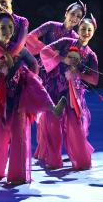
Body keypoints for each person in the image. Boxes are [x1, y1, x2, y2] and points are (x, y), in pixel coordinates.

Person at [0, 13, 64, 186]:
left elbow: (34, 64)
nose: (7, 31)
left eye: (10, 27)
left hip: (17, 101)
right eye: (3, 27)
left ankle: (18, 175)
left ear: (14, 30)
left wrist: (27, 81)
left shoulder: (20, 49)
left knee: (19, 137)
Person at [38, 15, 99, 171]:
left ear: (93, 32)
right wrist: (62, 59)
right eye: (83, 29)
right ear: (78, 29)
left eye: (89, 30)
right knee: (52, 125)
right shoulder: (66, 42)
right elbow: (45, 51)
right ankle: (53, 160)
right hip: (54, 90)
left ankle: (81, 161)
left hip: (73, 95)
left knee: (75, 127)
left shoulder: (91, 55)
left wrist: (78, 74)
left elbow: (94, 79)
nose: (86, 32)